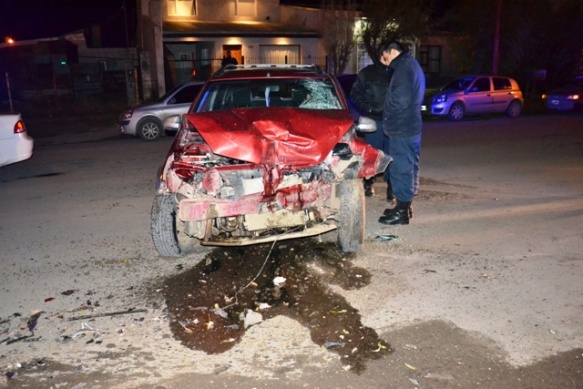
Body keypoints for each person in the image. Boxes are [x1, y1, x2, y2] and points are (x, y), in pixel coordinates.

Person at [378, 41, 425, 225]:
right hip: (409, 126)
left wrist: (387, 112)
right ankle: (405, 206)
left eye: (386, 58)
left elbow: (400, 100)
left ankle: (402, 211)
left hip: (402, 127)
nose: (387, 63)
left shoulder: (404, 68)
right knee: (409, 166)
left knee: (402, 167)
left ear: (393, 51)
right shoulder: (411, 64)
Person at [350, 47, 395, 204]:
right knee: (373, 154)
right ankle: (369, 182)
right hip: (373, 121)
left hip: (394, 121)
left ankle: (392, 188)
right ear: (384, 54)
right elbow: (355, 94)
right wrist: (368, 108)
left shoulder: (397, 72)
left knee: (392, 156)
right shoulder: (367, 73)